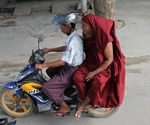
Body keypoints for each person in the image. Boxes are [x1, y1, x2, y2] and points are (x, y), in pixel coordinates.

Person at [73, 13, 126, 119]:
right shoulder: (86, 34)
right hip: (89, 63)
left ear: (92, 26)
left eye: (84, 25)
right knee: (77, 77)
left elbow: (109, 59)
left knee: (98, 82)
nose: (82, 28)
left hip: (103, 67)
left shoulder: (105, 39)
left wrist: (94, 73)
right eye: (82, 25)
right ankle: (87, 100)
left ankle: (82, 106)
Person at [35, 12, 84, 117]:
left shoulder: (74, 41)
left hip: (71, 70)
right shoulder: (73, 37)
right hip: (70, 67)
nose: (61, 28)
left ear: (69, 26)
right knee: (50, 71)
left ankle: (64, 107)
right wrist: (50, 50)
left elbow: (62, 62)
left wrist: (43, 65)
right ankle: (62, 90)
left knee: (47, 87)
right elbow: (66, 48)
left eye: (62, 25)